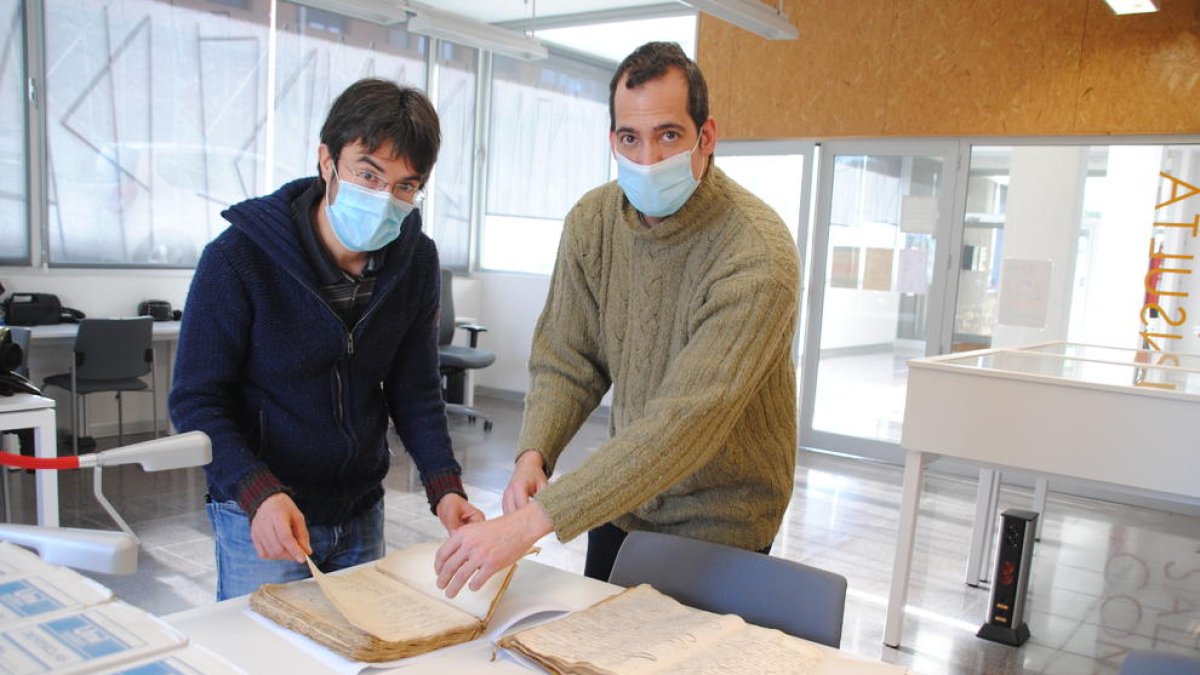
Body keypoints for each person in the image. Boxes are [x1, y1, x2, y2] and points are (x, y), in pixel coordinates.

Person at [434, 42, 800, 596]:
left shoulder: (756, 255)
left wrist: (535, 520)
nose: (647, 158)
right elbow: (567, 357)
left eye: (668, 135)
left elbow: (686, 423)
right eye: (631, 138)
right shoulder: (593, 221)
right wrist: (536, 451)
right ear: (612, 140)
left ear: (707, 137)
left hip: (723, 524)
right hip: (625, 501)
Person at [170, 78, 483, 600]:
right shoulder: (238, 258)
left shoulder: (416, 262)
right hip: (264, 514)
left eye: (405, 185)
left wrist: (444, 488)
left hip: (360, 509)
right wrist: (256, 492)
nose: (385, 199)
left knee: (358, 651)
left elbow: (416, 392)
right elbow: (196, 399)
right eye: (368, 173)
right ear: (327, 161)